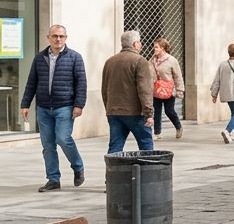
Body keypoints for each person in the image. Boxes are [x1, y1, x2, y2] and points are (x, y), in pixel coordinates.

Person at [20, 24, 86, 192]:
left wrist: (79, 105)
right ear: (48, 37)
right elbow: (31, 82)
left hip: (65, 106)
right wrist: (25, 104)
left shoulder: (75, 57)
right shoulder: (39, 58)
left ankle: (78, 167)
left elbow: (81, 84)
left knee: (63, 139)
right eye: (55, 36)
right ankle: (53, 179)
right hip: (43, 108)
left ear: (66, 38)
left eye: (61, 36)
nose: (58, 39)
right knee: (48, 145)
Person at [102, 30, 156, 154]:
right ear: (135, 44)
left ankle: (113, 172)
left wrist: (109, 109)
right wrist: (149, 113)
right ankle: (148, 172)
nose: (141, 45)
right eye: (140, 42)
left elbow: (104, 89)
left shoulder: (110, 61)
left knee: (115, 147)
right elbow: (145, 90)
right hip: (136, 113)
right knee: (146, 144)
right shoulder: (140, 61)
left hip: (114, 112)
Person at [149, 37, 185, 140]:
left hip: (168, 90)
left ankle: (178, 126)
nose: (154, 49)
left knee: (169, 111)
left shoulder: (172, 60)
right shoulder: (152, 60)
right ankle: (157, 133)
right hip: (156, 89)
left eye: (156, 47)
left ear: (163, 48)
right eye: (154, 47)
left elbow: (178, 76)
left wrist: (180, 90)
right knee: (156, 111)